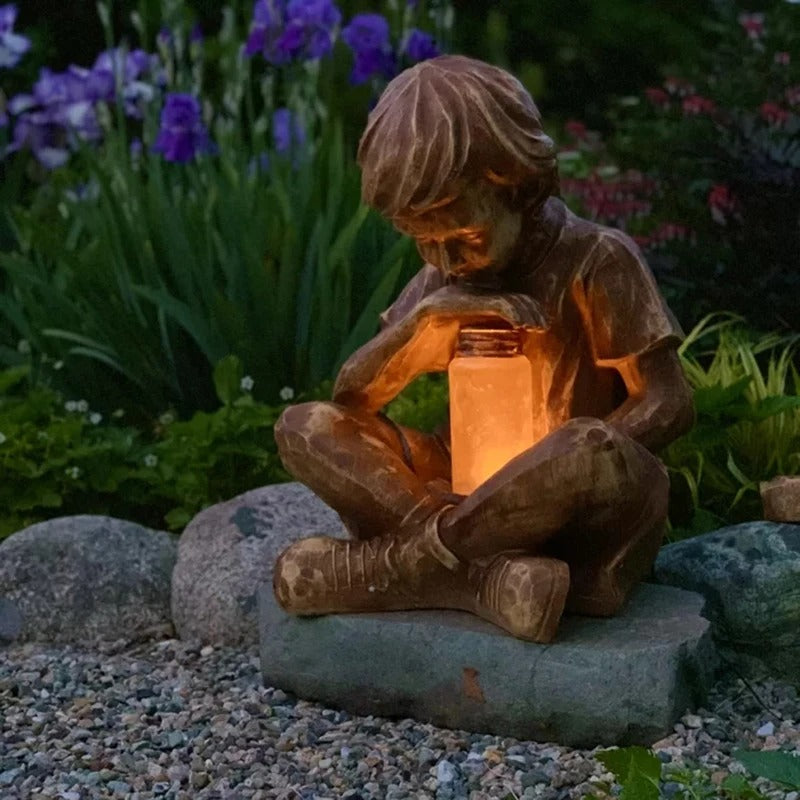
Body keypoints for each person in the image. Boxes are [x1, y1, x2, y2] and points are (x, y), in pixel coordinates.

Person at [271, 55, 694, 643]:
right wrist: (427, 318)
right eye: (425, 244)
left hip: (580, 504)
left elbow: (670, 401)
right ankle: (478, 578)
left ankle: (402, 567)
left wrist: (552, 470)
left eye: (462, 238)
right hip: (463, 492)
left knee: (586, 444)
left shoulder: (596, 260)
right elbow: (353, 397)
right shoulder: (444, 279)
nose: (445, 260)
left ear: (515, 185)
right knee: (305, 425)